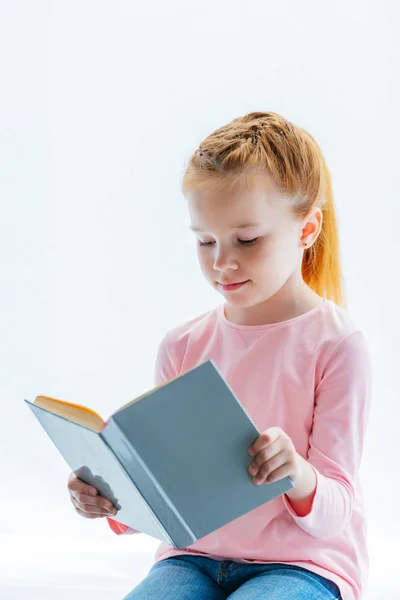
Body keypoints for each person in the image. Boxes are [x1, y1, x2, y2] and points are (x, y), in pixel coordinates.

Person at [68, 111, 372, 600]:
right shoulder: (182, 346)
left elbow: (335, 510)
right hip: (192, 559)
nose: (220, 263)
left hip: (302, 567)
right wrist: (112, 500)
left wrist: (295, 472)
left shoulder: (337, 344)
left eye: (247, 240)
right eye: (205, 241)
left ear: (307, 228)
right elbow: (170, 493)